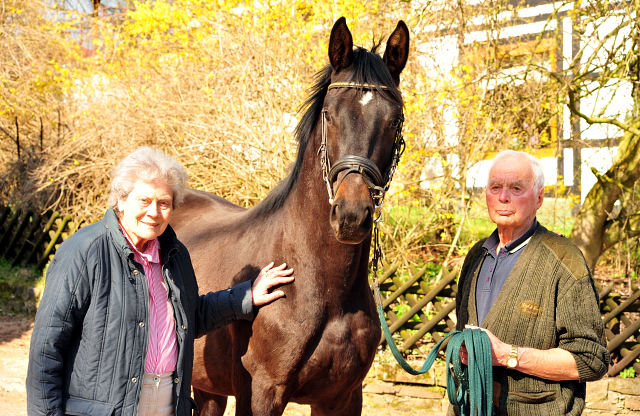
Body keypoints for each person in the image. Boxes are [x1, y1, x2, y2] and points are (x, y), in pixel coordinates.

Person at [26, 146, 294, 416]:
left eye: (164, 203)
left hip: (167, 402)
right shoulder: (84, 251)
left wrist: (246, 296)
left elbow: (191, 317)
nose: (154, 212)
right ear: (121, 200)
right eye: (144, 200)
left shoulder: (174, 255)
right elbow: (47, 350)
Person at [451, 150, 609, 416]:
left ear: (539, 198)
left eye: (516, 188)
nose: (503, 197)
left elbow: (591, 359)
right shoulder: (475, 256)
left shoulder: (564, 260)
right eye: (495, 187)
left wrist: (506, 355)